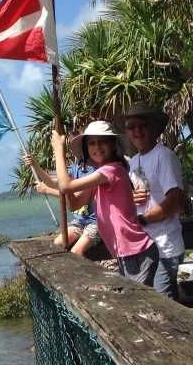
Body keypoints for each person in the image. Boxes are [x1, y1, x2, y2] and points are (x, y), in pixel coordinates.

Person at [50, 120, 159, 286]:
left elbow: (65, 185)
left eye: (102, 142)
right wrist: (67, 187)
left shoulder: (112, 170)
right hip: (125, 253)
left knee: (137, 308)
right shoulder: (100, 176)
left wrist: (59, 151)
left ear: (113, 145)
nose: (97, 147)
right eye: (92, 143)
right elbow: (75, 204)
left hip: (137, 251)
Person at [120, 104, 186, 299]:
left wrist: (142, 220)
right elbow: (135, 198)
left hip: (166, 246)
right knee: (156, 305)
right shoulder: (134, 162)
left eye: (142, 125)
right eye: (131, 127)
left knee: (163, 305)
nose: (137, 131)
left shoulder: (164, 156)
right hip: (148, 249)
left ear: (154, 129)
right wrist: (131, 199)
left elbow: (175, 201)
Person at [24, 152, 102, 257]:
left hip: (96, 222)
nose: (54, 157)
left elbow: (75, 197)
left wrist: (47, 190)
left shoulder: (93, 170)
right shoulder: (75, 168)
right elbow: (52, 182)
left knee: (76, 252)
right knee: (56, 246)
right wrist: (35, 165)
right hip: (80, 222)